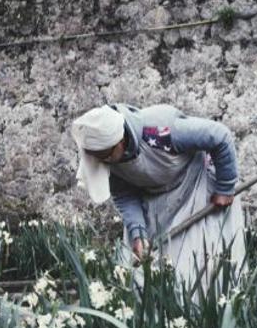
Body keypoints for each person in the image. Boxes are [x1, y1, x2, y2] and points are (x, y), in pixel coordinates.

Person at [71, 104, 245, 293]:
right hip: (159, 198)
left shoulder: (162, 131)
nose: (103, 163)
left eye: (104, 156)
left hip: (196, 186)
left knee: (197, 267)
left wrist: (225, 187)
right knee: (144, 270)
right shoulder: (108, 156)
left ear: (119, 141)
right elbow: (124, 194)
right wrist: (138, 233)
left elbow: (220, 136)